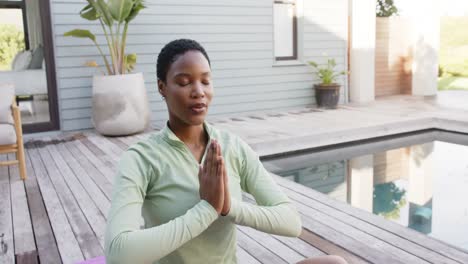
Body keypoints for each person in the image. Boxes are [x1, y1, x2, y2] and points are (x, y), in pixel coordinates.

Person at [104, 39, 348, 264]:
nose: (198, 91)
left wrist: (229, 208)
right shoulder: (141, 159)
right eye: (184, 82)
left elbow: (291, 222)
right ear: (162, 87)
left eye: (206, 81)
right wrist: (206, 210)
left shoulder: (232, 147)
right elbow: (119, 253)